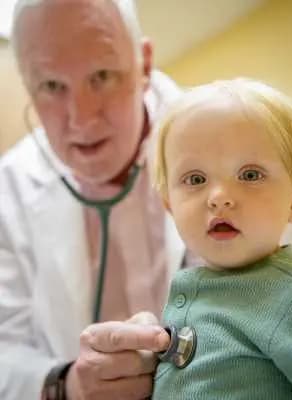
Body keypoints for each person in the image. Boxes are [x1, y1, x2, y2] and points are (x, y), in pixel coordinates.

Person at [0, 0, 180, 399]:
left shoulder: (228, 139)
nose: (81, 119)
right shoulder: (6, 192)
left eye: (101, 75)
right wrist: (68, 384)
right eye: (51, 86)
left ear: (145, 65)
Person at [152, 79, 292, 399]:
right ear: (169, 204)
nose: (219, 198)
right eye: (196, 179)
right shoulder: (190, 292)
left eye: (250, 175)